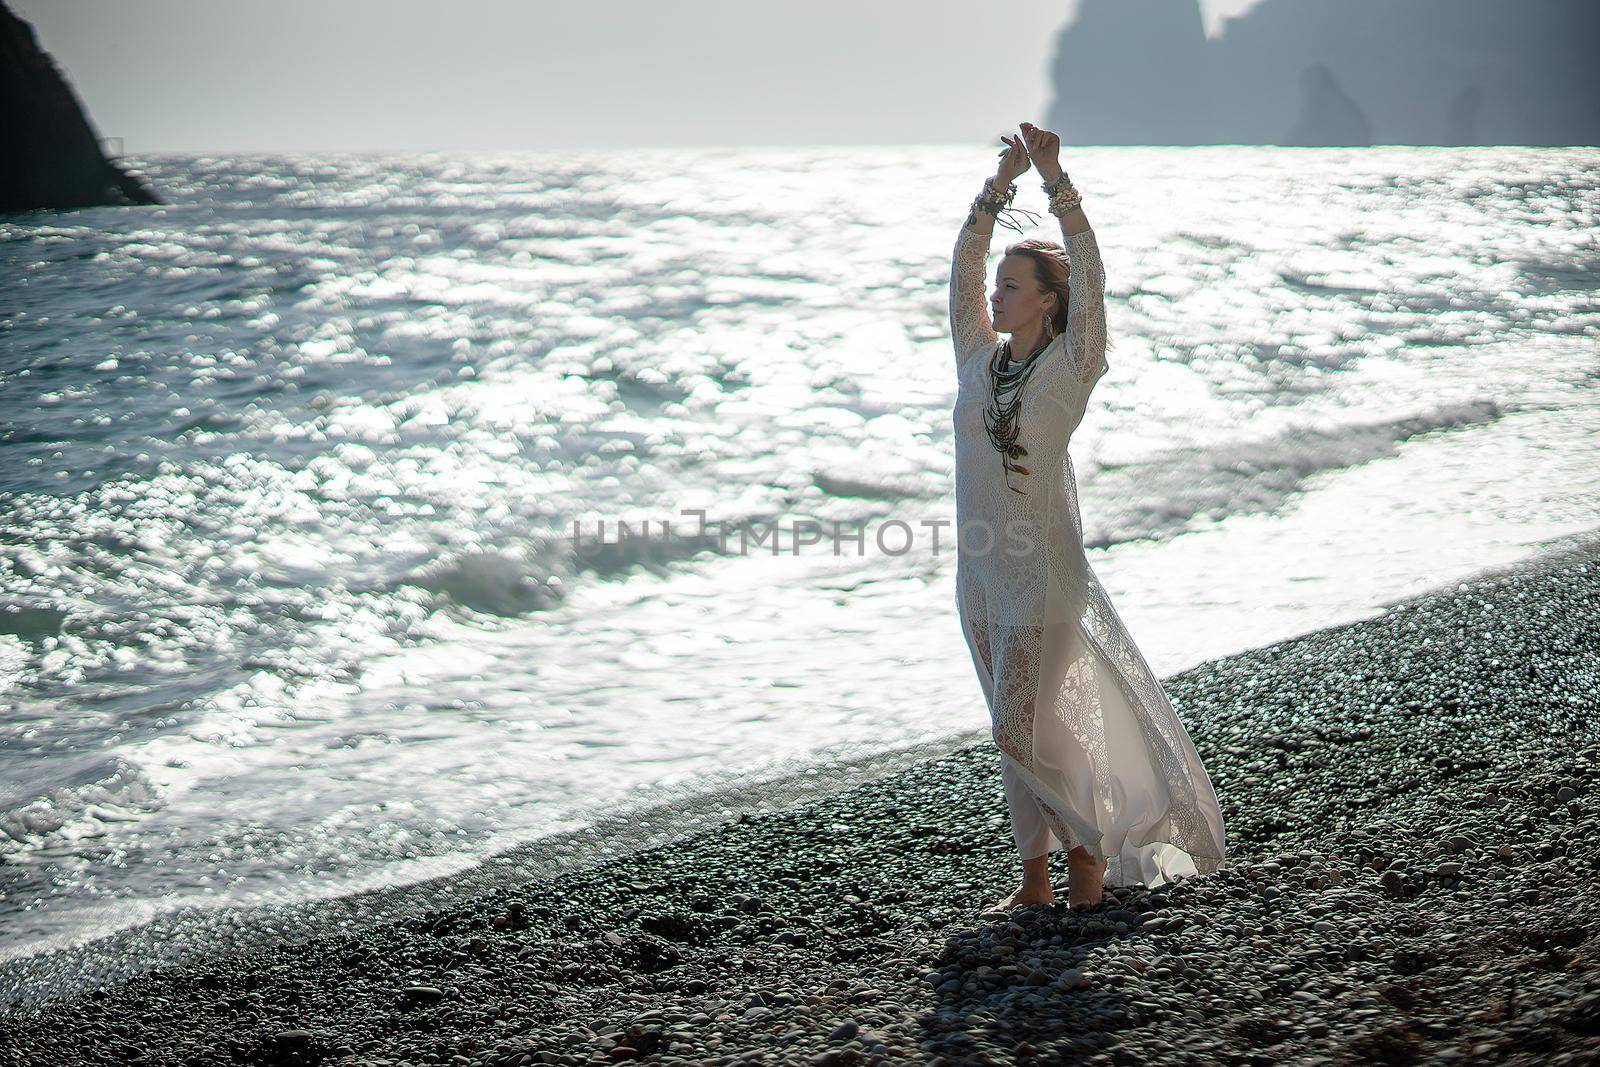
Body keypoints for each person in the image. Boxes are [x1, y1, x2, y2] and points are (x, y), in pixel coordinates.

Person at [949, 122, 1227, 912]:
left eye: (1011, 287)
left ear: (1048, 300)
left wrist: (1055, 181)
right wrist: (996, 184)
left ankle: (1089, 855)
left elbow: (1094, 276)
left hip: (1041, 575)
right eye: (997, 286)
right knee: (1018, 734)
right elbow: (963, 265)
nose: (995, 295)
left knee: (1016, 726)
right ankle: (1036, 879)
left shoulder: (1070, 369)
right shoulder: (978, 359)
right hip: (977, 573)